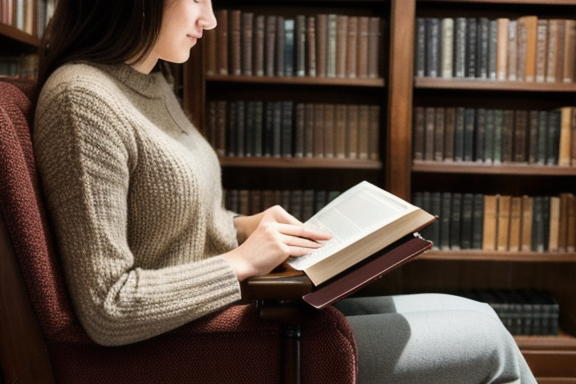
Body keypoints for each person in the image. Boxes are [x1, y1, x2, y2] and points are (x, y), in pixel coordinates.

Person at [33, 1, 537, 383]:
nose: (209, 20)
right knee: (488, 341)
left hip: (236, 314)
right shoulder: (83, 100)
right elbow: (108, 307)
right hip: (197, 342)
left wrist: (243, 227)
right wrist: (243, 262)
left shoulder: (151, 81)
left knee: (480, 313)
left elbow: (162, 226)